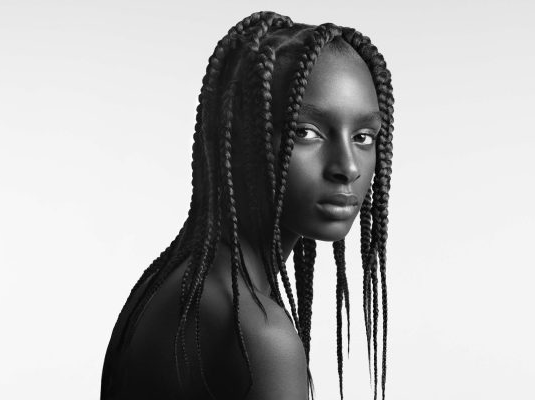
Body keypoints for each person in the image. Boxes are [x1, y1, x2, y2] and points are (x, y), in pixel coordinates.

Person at [101, 11, 394, 400]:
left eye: (363, 136)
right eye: (305, 132)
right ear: (241, 137)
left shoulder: (174, 284)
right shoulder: (257, 333)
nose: (348, 167)